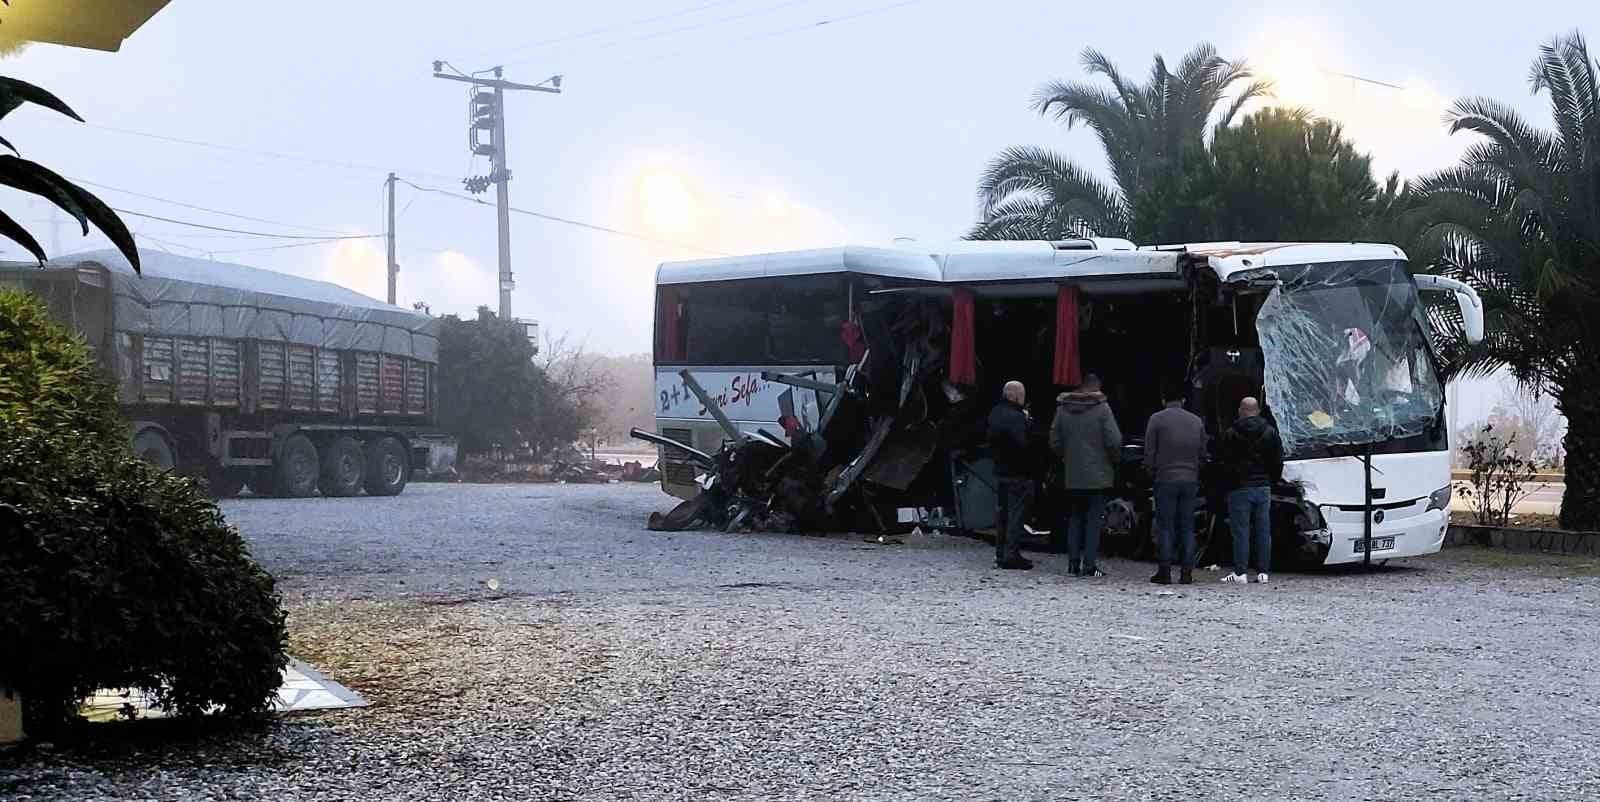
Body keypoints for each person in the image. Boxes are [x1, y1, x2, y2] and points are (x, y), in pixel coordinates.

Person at [1050, 374, 1122, 577]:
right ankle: (1089, 565)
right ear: (1096, 387)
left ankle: (1073, 563)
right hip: (1098, 474)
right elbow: (1114, 440)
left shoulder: (1062, 409)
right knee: (1093, 521)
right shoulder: (1102, 409)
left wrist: (1068, 457)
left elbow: (1054, 441)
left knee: (1075, 518)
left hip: (1072, 474)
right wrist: (1113, 460)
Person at [1144, 384, 1206, 585]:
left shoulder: (1156, 420)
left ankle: (1165, 571)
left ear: (1163, 399)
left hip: (1165, 478)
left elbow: (1149, 452)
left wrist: (1151, 472)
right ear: (1184, 400)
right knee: (1187, 526)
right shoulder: (1196, 421)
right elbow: (1203, 453)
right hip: (1190, 479)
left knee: (1165, 526)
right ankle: (1187, 572)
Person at [1218, 396, 1284, 585]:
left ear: (1241, 410)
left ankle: (1240, 572)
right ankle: (1263, 572)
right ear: (1258, 410)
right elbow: (1277, 461)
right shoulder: (1270, 432)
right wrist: (1272, 479)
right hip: (1263, 487)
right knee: (1263, 530)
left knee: (1241, 531)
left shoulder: (1231, 433)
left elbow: (1224, 461)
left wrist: (1229, 481)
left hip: (1239, 487)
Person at [987, 380, 1034, 570]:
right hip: (1017, 471)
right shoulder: (1017, 417)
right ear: (1015, 396)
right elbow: (1023, 444)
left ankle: (1000, 552)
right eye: (1022, 395)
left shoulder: (995, 412)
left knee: (1003, 514)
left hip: (1000, 470)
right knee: (1016, 514)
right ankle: (1011, 554)